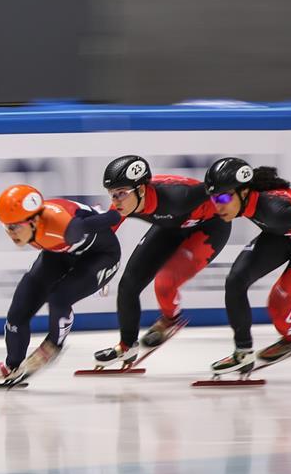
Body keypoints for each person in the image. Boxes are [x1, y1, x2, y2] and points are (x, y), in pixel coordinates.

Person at [203, 157, 291, 374]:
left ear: (244, 192)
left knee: (277, 304)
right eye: (214, 198)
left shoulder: (275, 211)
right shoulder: (254, 204)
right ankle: (243, 352)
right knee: (235, 281)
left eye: (224, 197)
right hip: (279, 236)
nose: (218, 205)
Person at [93, 155, 231, 367]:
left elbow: (224, 192)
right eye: (111, 194)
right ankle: (127, 347)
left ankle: (170, 318)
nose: (115, 201)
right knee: (128, 285)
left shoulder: (178, 196)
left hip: (210, 227)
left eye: (121, 193)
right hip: (169, 227)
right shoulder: (122, 205)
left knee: (165, 283)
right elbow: (100, 240)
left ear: (141, 190)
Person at [0, 184, 122, 382]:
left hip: (101, 256)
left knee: (59, 298)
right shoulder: (33, 225)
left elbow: (113, 218)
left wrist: (93, 218)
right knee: (20, 307)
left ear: (34, 220)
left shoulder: (62, 226)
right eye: (6, 226)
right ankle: (12, 365)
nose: (10, 233)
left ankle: (52, 345)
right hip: (60, 253)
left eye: (14, 226)